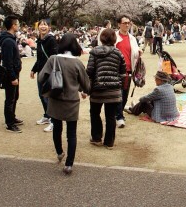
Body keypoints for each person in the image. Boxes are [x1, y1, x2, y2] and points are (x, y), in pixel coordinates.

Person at [38, 33, 90, 175]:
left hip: (55, 99)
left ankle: (60, 152)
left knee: (57, 128)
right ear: (74, 45)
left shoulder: (53, 59)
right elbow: (86, 84)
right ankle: (69, 165)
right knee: (71, 133)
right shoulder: (77, 63)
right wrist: (83, 90)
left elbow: (41, 77)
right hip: (72, 101)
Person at [87, 28, 126, 148]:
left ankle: (96, 138)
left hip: (97, 90)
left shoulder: (94, 52)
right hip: (113, 91)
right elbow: (123, 72)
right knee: (110, 116)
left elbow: (89, 71)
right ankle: (109, 142)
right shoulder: (118, 53)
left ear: (101, 38)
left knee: (95, 113)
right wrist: (118, 83)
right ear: (114, 39)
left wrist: (89, 87)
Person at [30, 20, 58, 132]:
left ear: (49, 27)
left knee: (48, 97)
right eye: (41, 25)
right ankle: (47, 116)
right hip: (40, 72)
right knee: (42, 95)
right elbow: (39, 58)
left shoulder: (51, 40)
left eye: (45, 25)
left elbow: (54, 57)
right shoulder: (39, 41)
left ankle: (53, 121)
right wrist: (33, 69)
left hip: (49, 72)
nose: (43, 26)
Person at [114, 15, 142, 128]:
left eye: (128, 23)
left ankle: (118, 114)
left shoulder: (132, 38)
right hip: (116, 70)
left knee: (125, 95)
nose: (127, 25)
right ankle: (119, 117)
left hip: (129, 70)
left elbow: (134, 53)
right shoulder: (114, 37)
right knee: (118, 94)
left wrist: (139, 52)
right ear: (119, 24)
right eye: (124, 23)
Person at [0, 15, 23, 133]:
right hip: (10, 74)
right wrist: (12, 76)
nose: (18, 26)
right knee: (10, 98)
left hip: (14, 72)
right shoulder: (8, 41)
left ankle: (12, 117)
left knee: (14, 97)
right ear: (13, 26)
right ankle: (10, 123)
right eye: (17, 24)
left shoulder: (11, 38)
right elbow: (7, 61)